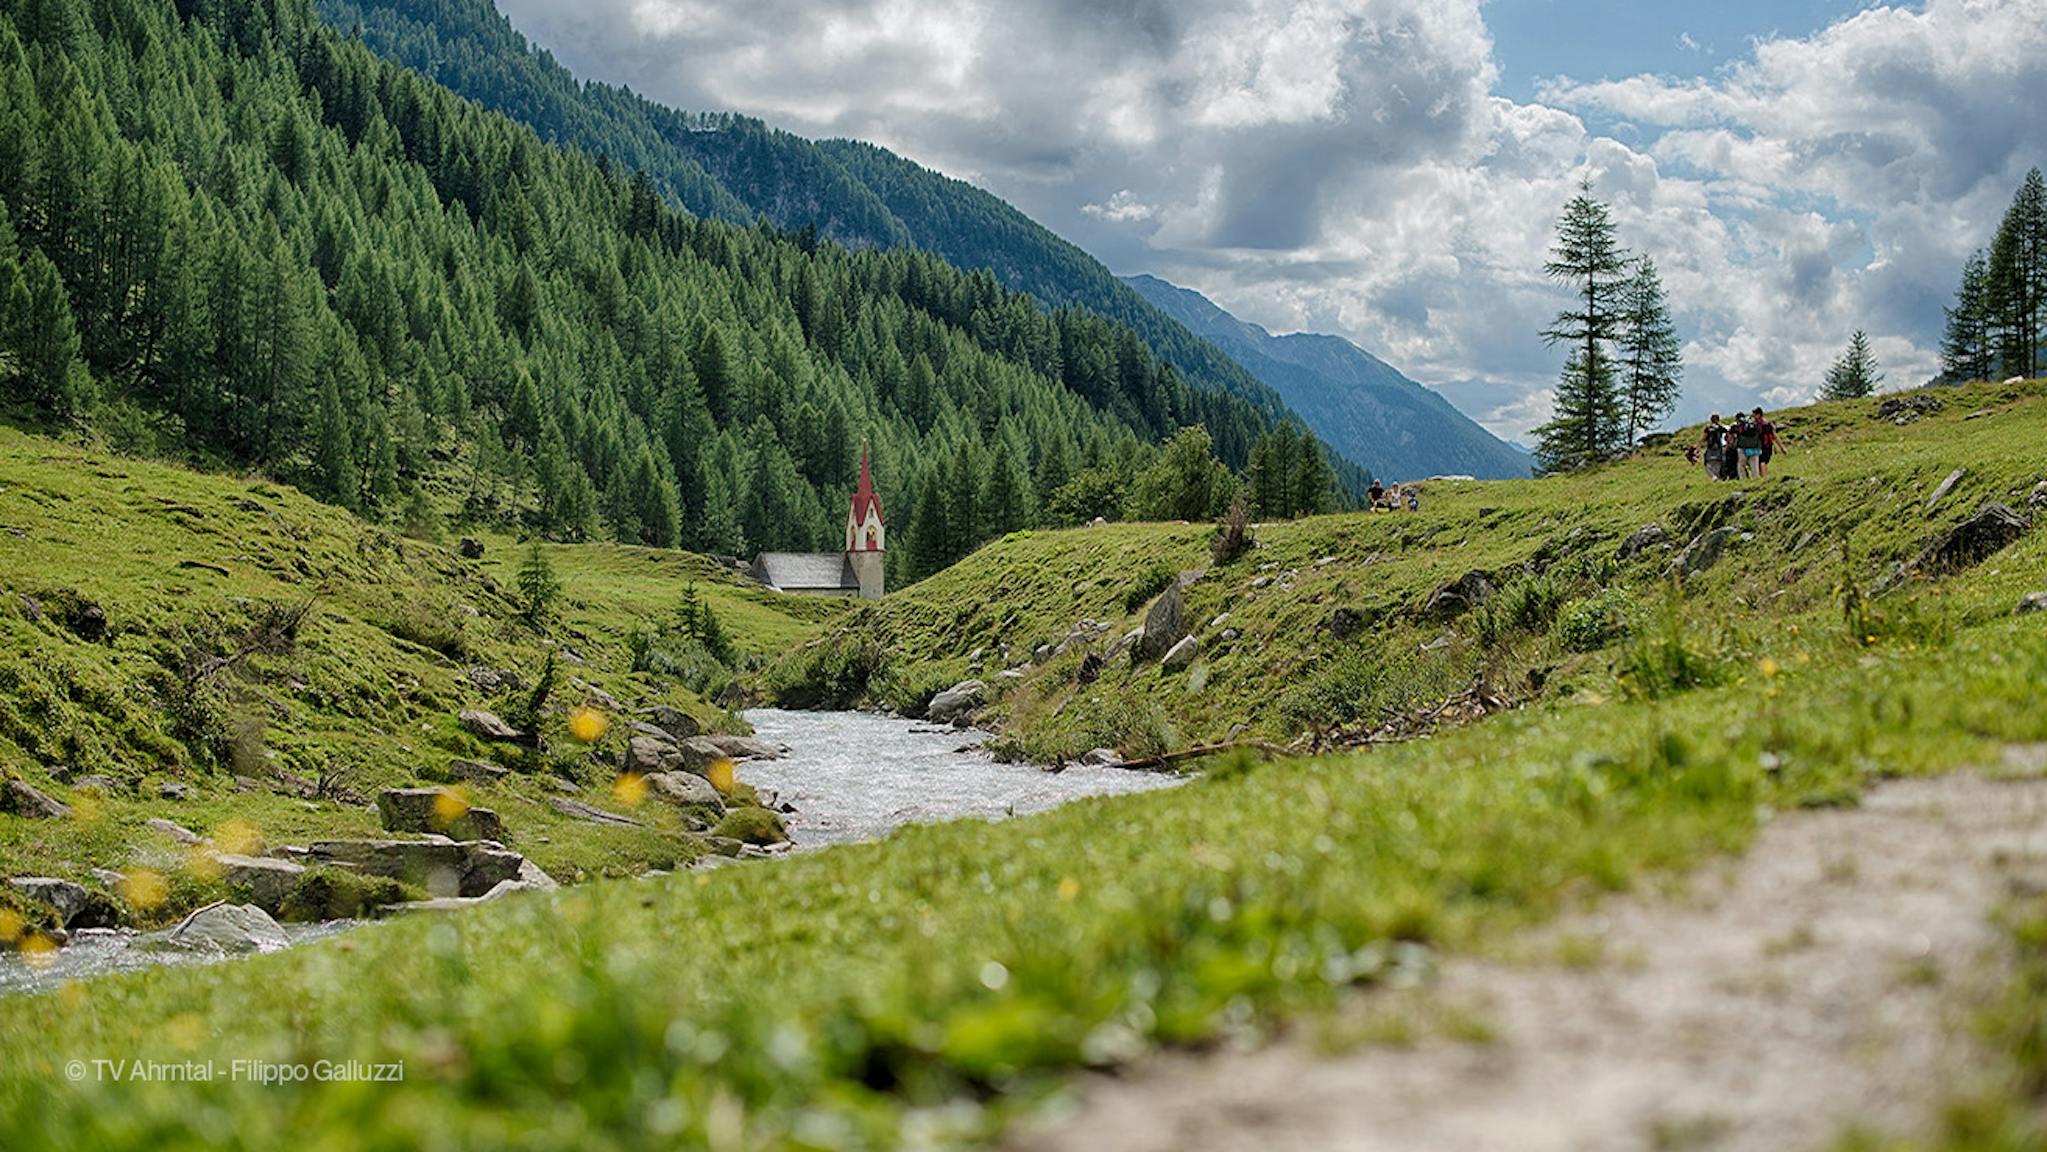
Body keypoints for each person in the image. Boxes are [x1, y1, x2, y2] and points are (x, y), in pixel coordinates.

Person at [1732, 410, 1763, 479]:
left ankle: (1743, 479)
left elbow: (1736, 434)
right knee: (1754, 464)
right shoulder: (1753, 422)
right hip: (1755, 446)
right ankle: (1755, 478)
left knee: (1741, 464)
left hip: (1742, 447)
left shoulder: (1739, 424)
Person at [1752, 406, 1782, 476]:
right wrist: (1781, 447)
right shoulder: (1768, 423)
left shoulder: (1757, 424)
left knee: (1761, 462)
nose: (1753, 416)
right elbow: (1774, 436)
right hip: (1769, 445)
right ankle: (1765, 476)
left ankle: (1764, 477)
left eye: (1754, 415)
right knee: (1765, 462)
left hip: (1760, 446)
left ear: (1758, 414)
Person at [1701, 414, 1728, 481]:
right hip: (1719, 448)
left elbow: (1703, 438)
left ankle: (1713, 477)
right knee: (1718, 463)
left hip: (1710, 448)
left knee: (1707, 464)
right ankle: (1718, 477)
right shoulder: (1720, 427)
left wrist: (1698, 446)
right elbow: (1727, 432)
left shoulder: (1708, 428)